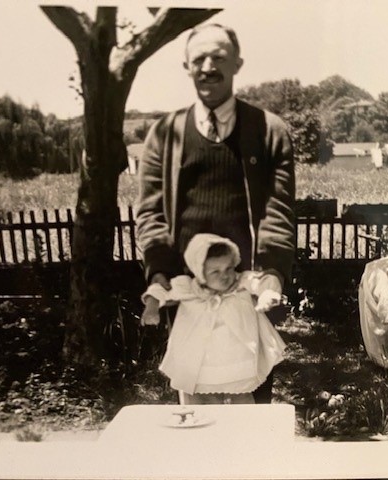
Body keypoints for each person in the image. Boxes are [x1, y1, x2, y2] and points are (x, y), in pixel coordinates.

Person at [134, 23, 295, 403]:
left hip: (247, 294)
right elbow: (150, 213)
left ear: (237, 63)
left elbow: (278, 209)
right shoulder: (164, 134)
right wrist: (158, 273)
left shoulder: (268, 131)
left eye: (219, 57)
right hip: (188, 297)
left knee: (250, 398)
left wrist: (272, 274)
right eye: (199, 59)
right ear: (186, 66)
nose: (208, 66)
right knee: (193, 398)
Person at [141, 234, 286, 405]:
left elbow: (264, 280)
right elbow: (161, 290)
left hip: (237, 365)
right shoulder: (188, 287)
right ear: (199, 272)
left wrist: (268, 293)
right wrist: (152, 307)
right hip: (200, 368)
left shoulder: (241, 282)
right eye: (215, 272)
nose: (224, 276)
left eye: (229, 268)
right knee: (199, 410)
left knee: (242, 409)